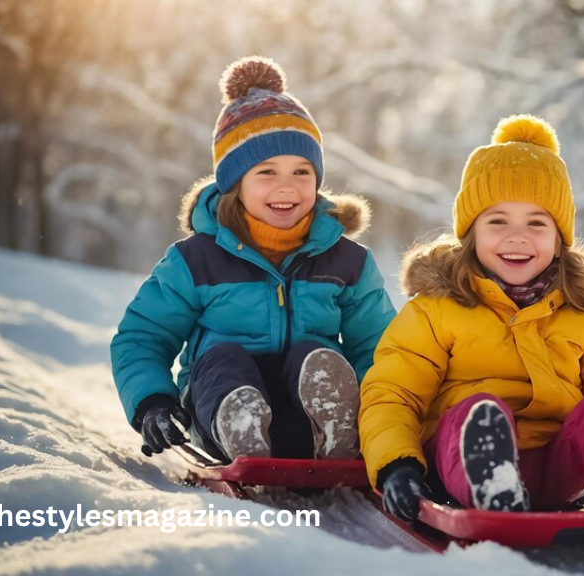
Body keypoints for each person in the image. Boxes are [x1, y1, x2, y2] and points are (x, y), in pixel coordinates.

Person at [359, 114, 584, 521]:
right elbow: (393, 393)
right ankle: (492, 483)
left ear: (559, 239)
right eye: (498, 221)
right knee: (473, 411)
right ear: (471, 233)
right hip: (458, 463)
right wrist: (397, 464)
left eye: (537, 223)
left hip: (559, 468)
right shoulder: (435, 308)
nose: (517, 237)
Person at [111, 56, 396, 463]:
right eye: (266, 172)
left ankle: (334, 425)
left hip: (303, 422)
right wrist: (151, 401)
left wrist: (384, 416)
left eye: (302, 172)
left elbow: (378, 348)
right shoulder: (195, 261)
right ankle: (240, 420)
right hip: (217, 415)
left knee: (315, 358)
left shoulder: (347, 263)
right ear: (234, 184)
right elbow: (143, 336)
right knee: (224, 360)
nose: (287, 187)